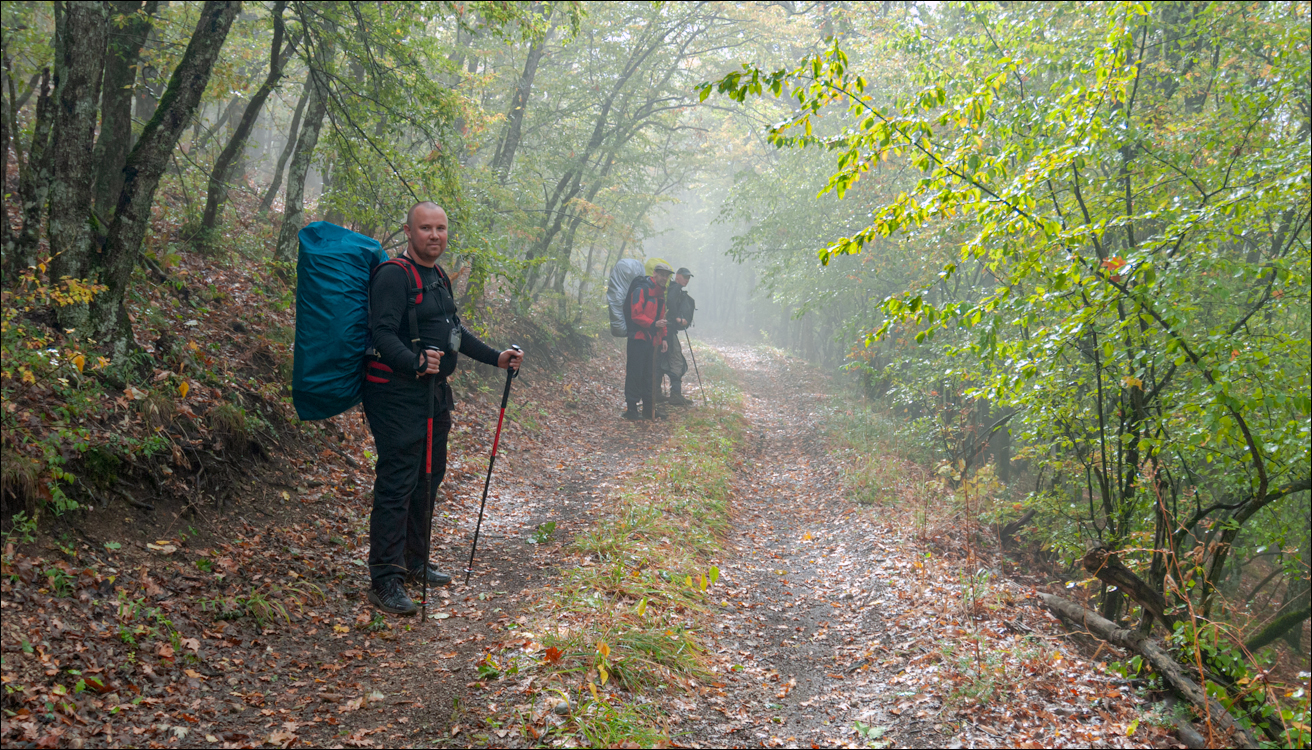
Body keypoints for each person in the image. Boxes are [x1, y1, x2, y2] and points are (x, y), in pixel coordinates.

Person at [363, 201, 524, 616]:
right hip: (395, 396)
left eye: (441, 229)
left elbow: (454, 332)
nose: (434, 236)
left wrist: (496, 357)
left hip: (432, 396)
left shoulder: (436, 277)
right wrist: (414, 361)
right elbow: (380, 331)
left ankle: (415, 560)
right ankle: (385, 577)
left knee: (428, 477)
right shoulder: (392, 276)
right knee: (398, 483)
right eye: (426, 228)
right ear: (409, 231)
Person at [623, 261, 671, 420]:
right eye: (662, 274)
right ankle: (632, 410)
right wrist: (652, 324)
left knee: (651, 375)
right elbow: (635, 315)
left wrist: (663, 336)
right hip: (638, 339)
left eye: (666, 275)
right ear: (654, 274)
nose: (664, 277)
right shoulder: (641, 289)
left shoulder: (660, 294)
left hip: (653, 341)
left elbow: (662, 317)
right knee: (635, 374)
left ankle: (648, 409)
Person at [660, 267, 695, 406]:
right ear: (677, 276)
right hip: (668, 330)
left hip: (664, 329)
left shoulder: (671, 288)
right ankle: (675, 394)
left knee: (661, 360)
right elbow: (671, 305)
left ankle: (656, 393)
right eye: (685, 277)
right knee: (676, 360)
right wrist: (677, 320)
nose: (686, 280)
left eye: (688, 278)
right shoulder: (675, 288)